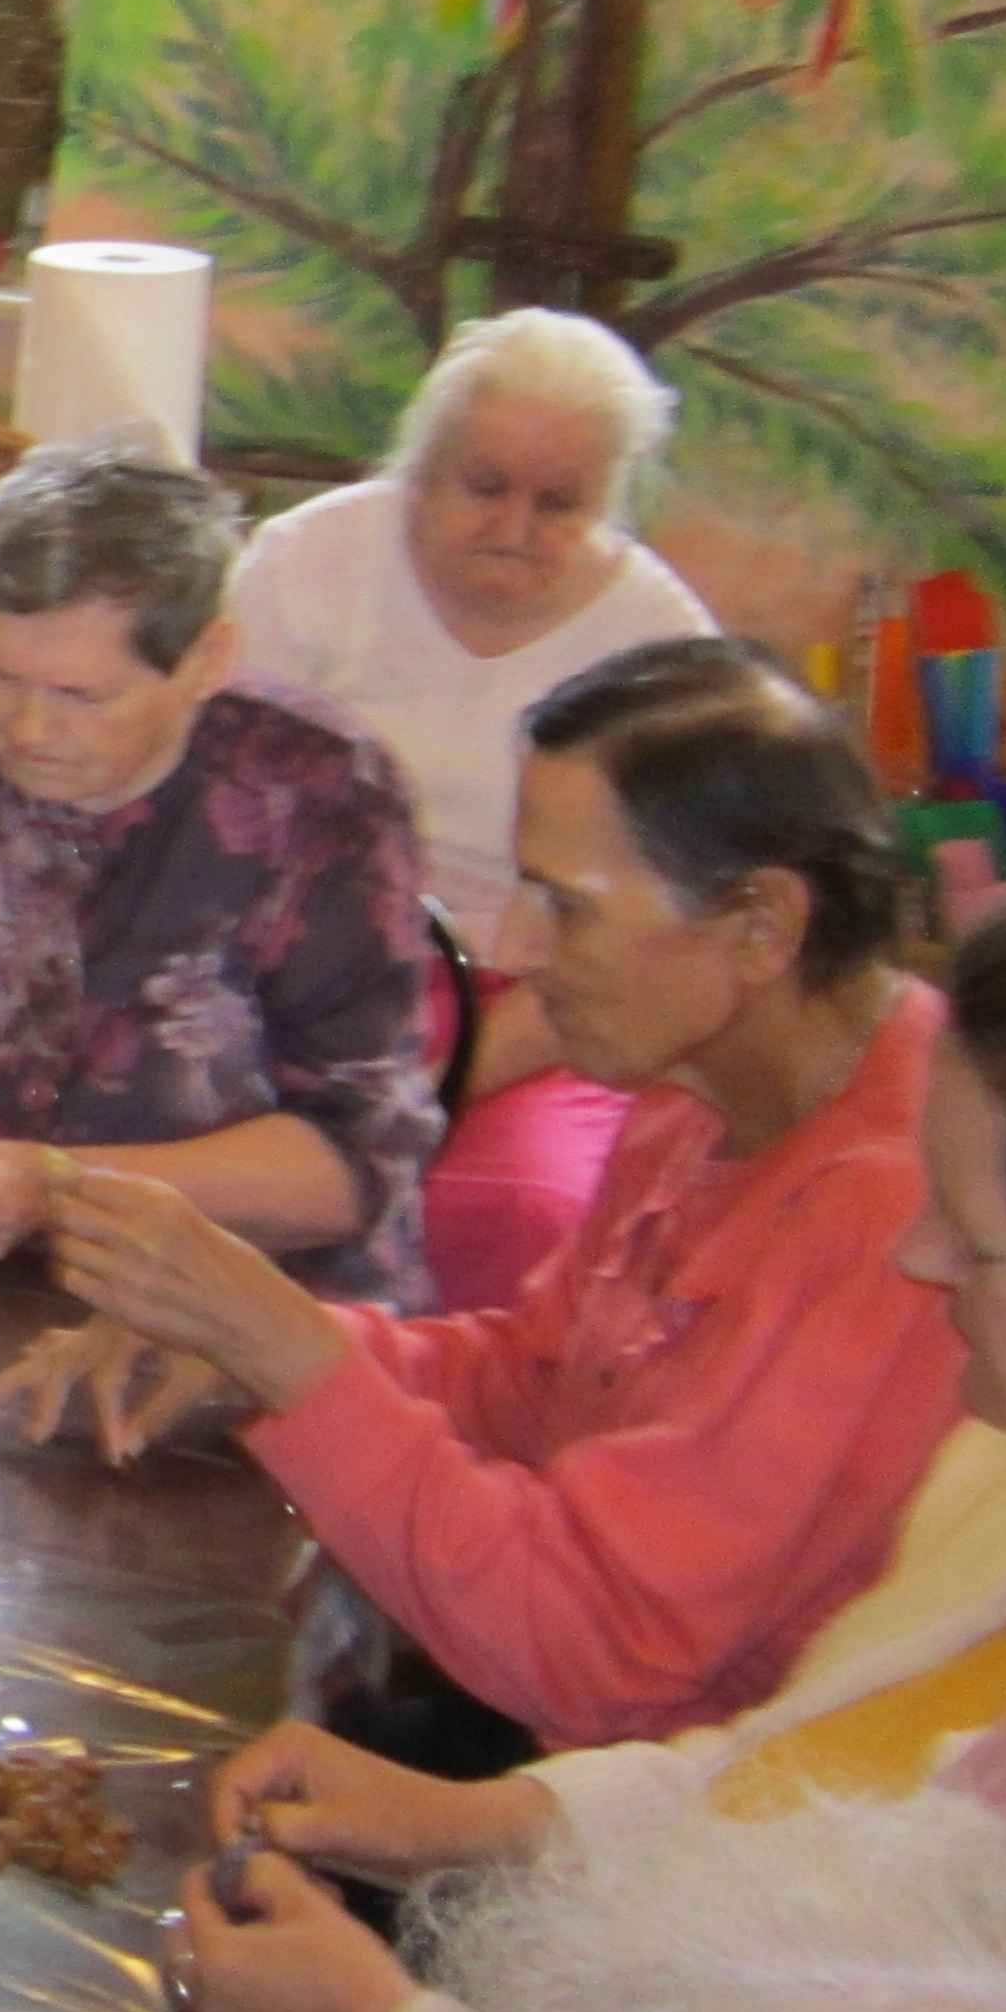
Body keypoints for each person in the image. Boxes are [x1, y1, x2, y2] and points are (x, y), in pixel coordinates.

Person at [131, 885, 1006, 2012]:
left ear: (763, 924)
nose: (918, 1257)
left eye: (977, 1242)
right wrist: (466, 1823)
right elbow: (784, 1766)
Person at [4, 640, 974, 1751]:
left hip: (714, 1803)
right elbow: (537, 1382)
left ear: (761, 926)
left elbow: (592, 1655)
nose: (520, 949)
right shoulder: (704, 1086)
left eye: (566, 905)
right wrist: (244, 1338)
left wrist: (285, 1349)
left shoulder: (900, 1219)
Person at [0, 441, 438, 1311]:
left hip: (223, 1296)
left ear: (206, 660)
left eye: (81, 696)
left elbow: (355, 1167)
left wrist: (63, 1189)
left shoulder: (319, 795)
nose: (28, 729)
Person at [228, 310, 716, 1307]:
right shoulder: (305, 564)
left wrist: (452, 1070)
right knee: (212, 1162)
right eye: (484, 487)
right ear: (421, 467)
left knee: (526, 1212)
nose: (515, 529)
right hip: (301, 974)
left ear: (611, 501)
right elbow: (216, 831)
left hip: (545, 1008)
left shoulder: (661, 644)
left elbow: (653, 934)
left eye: (560, 503)